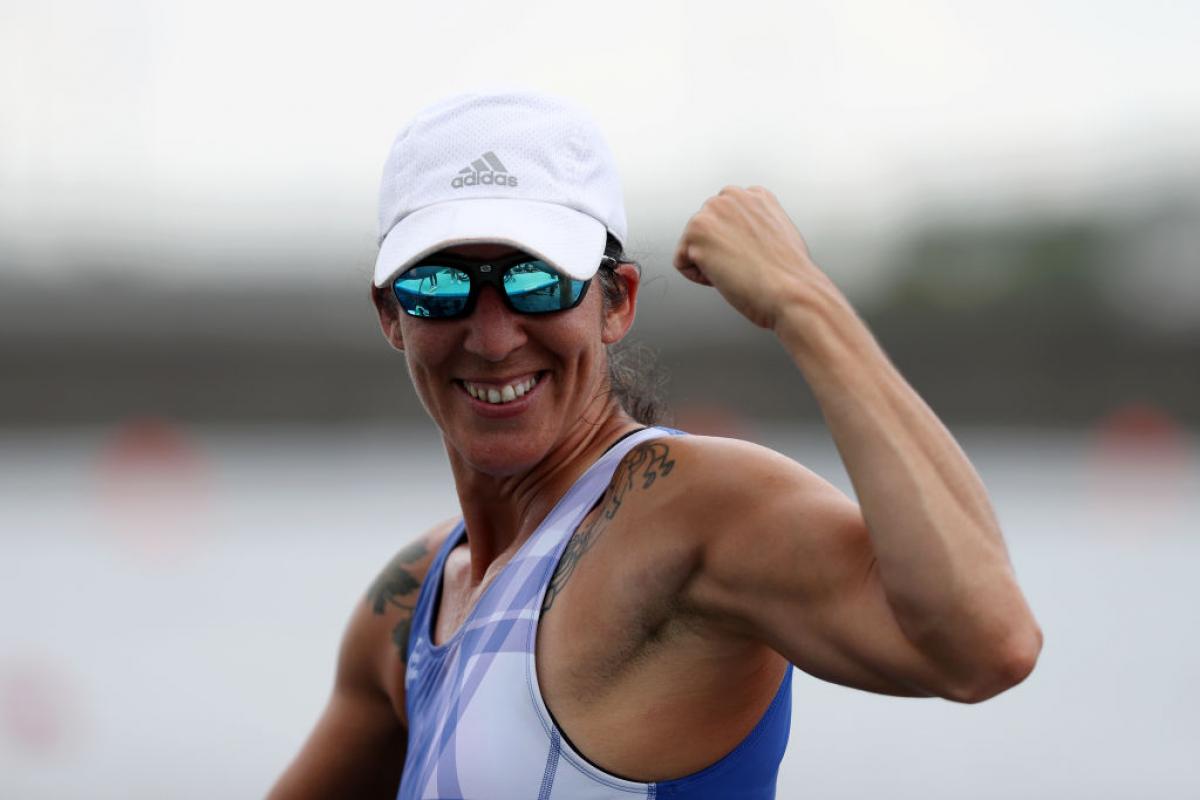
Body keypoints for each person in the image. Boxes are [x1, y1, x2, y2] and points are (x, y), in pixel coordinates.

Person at [268, 90, 1042, 799]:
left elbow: (988, 645)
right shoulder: (410, 603)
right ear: (390, 315)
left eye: (538, 282)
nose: (495, 337)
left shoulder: (689, 513)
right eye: (440, 286)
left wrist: (804, 302)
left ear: (617, 302)